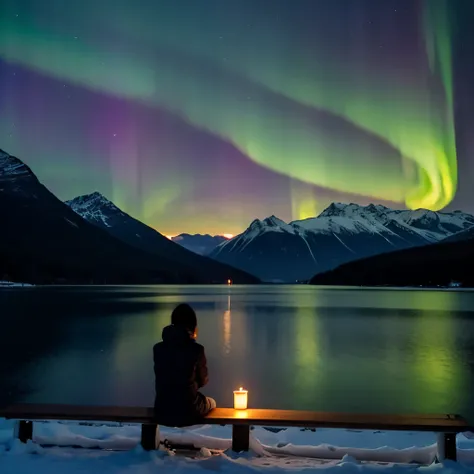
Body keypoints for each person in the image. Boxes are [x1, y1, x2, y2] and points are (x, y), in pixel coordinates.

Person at [153, 303, 216, 426]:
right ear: (192, 325)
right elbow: (203, 381)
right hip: (188, 410)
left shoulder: (158, 349)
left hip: (162, 409)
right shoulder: (196, 349)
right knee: (212, 403)